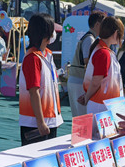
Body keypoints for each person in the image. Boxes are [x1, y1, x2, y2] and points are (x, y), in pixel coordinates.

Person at [19, 14, 63, 145]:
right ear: (45, 33)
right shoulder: (32, 58)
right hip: (36, 123)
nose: (54, 34)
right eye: (52, 30)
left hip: (50, 119)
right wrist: (40, 122)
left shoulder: (47, 54)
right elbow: (34, 92)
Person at [79, 16, 125, 115]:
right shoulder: (103, 52)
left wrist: (87, 96)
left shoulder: (103, 50)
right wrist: (87, 97)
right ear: (116, 33)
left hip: (104, 102)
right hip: (102, 104)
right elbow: (96, 81)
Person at [67, 11, 104, 117]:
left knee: (79, 115)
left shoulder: (88, 37)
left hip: (76, 79)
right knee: (82, 115)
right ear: (97, 24)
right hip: (79, 80)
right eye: (103, 24)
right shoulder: (89, 39)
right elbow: (88, 61)